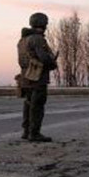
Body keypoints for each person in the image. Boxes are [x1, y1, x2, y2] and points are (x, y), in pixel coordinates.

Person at [17, 12, 58, 142]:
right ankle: (34, 133)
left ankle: (26, 131)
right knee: (37, 105)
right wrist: (52, 63)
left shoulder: (22, 40)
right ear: (43, 23)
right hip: (37, 77)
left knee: (28, 104)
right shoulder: (37, 39)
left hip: (25, 77)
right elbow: (44, 58)